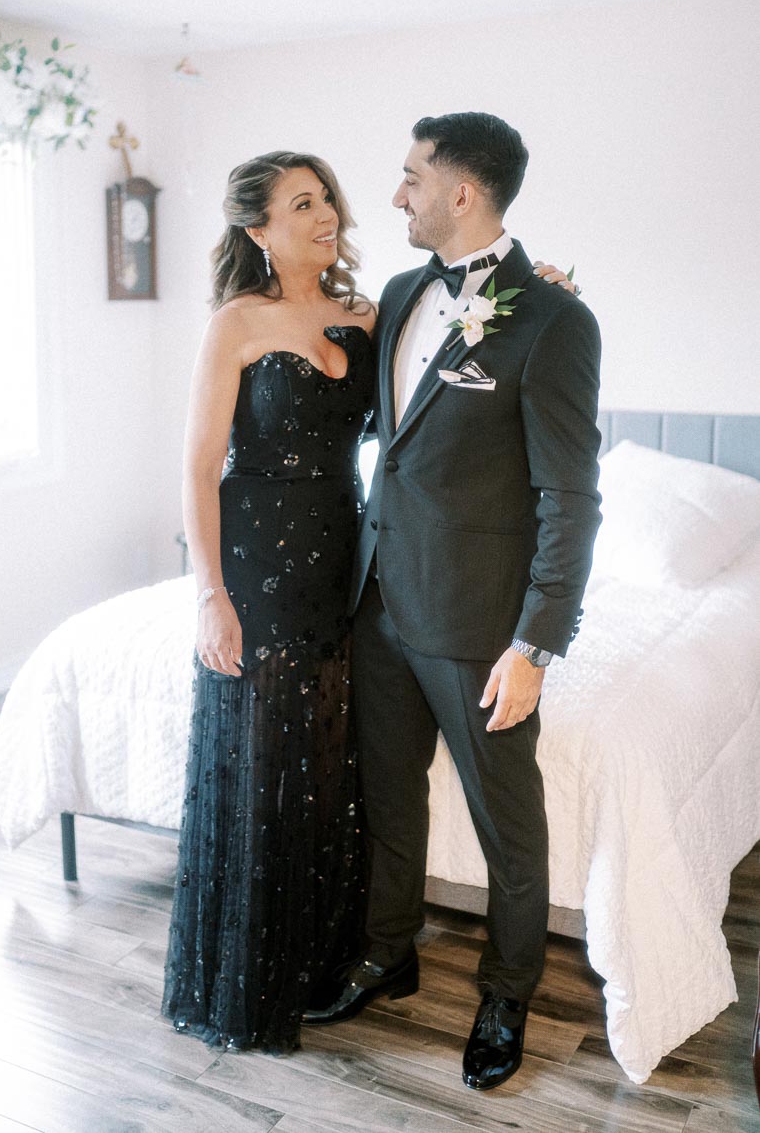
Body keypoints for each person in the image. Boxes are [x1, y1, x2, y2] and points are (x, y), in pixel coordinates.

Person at [163, 144, 579, 1055]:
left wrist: (537, 293)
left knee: (398, 790)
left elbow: (549, 481)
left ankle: (464, 984)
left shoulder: (379, 309)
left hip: (376, 577)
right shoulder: (278, 316)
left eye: (331, 200)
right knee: (317, 780)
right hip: (289, 574)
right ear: (257, 228)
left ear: (459, 191)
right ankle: (326, 958)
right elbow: (199, 466)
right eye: (304, 203)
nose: (342, 213)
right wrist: (208, 595)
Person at [302, 112, 602, 1095]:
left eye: (409, 177)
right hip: (377, 598)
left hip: (479, 624)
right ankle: (388, 957)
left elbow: (569, 497)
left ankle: (507, 996)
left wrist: (536, 643)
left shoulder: (554, 322)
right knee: (388, 801)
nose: (395, 195)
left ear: (461, 192)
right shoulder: (396, 292)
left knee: (510, 827)